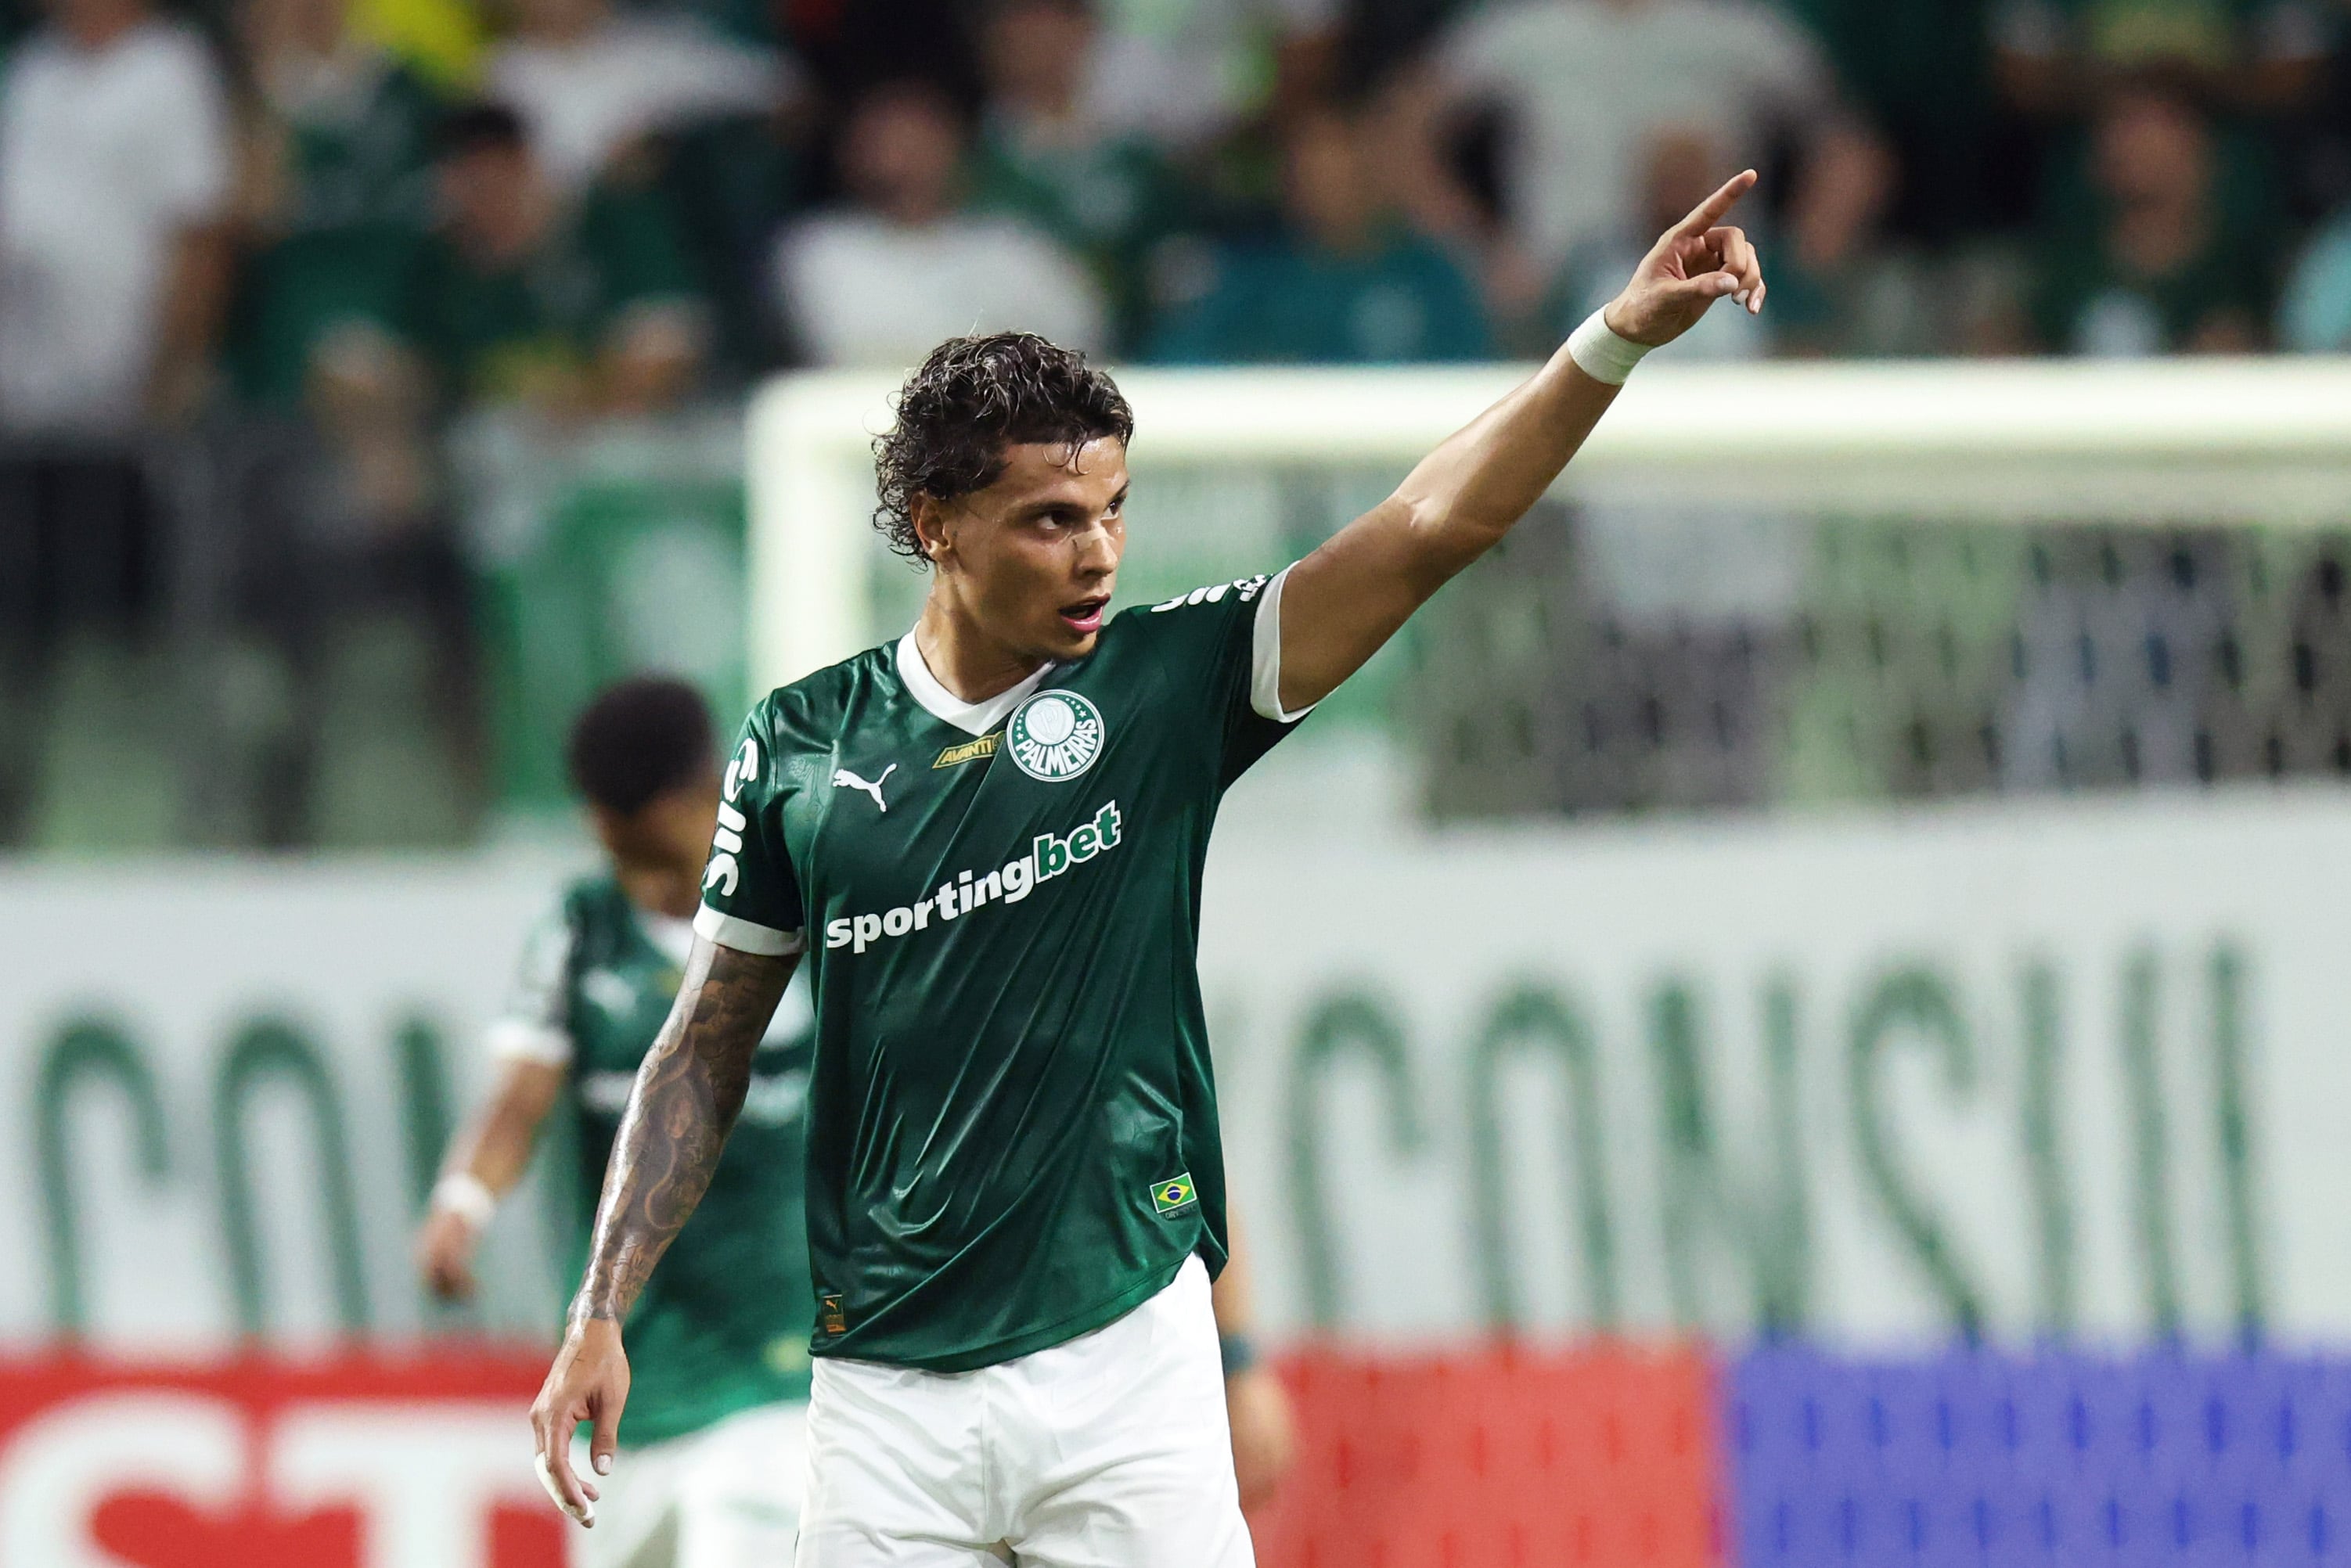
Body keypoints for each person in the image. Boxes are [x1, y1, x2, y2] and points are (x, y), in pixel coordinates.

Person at [529, 167, 1769, 1562]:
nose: (1098, 552)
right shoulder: (800, 747)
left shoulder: (1166, 685)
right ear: (937, 523)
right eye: (1051, 519)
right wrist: (601, 1304)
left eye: (1111, 509)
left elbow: (1432, 527)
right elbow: (702, 1045)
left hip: (1121, 1360)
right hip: (882, 1395)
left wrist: (1605, 339)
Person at [419, 677, 818, 1568]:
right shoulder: (580, 930)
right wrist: (463, 1200)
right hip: (627, 1391)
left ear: (693, 795)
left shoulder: (813, 911)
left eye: (629, 826)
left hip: (780, 1381)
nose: (611, 847)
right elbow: (517, 1100)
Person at [401, 102, 710, 418]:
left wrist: (587, 407)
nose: (489, 201)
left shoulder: (614, 226)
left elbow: (667, 344)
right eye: (470, 186)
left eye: (500, 182)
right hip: (495, 441)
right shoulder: (438, 263)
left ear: (529, 168)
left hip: (638, 430)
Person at [773, 82, 1105, 368]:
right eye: (885, 140)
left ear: (955, 146)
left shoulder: (1013, 246)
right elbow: (845, 347)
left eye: (918, 138)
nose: (902, 158)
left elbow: (1079, 341)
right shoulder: (818, 250)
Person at [1148, 95, 1490, 365]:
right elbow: (1178, 364)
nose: (1325, 185)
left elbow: (1472, 379)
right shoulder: (1254, 279)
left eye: (1341, 168)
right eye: (1310, 169)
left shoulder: (1432, 278)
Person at [2028, 75, 2276, 354]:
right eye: (2120, 126)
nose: (2130, 146)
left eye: (2152, 128)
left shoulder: (2239, 272)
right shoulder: (2069, 266)